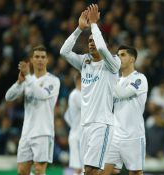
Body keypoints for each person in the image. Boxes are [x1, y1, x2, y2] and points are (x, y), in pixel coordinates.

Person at [60, 4, 121, 175]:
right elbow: (64, 52)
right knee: (89, 171)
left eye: (94, 40)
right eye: (89, 41)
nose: (91, 44)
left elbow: (102, 48)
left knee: (91, 170)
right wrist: (80, 29)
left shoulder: (112, 63)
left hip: (102, 123)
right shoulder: (84, 62)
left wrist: (94, 25)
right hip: (85, 125)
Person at [5, 45, 60, 175]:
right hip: (27, 132)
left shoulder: (53, 80)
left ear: (47, 60)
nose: (40, 59)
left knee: (39, 171)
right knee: (22, 171)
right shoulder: (27, 81)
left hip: (43, 132)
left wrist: (27, 77)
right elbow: (8, 97)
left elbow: (41, 95)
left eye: (43, 57)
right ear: (31, 60)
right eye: (37, 57)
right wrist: (19, 82)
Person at [102, 45, 148, 175]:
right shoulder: (117, 80)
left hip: (133, 136)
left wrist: (110, 78)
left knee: (135, 173)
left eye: (122, 55)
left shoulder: (139, 78)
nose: (118, 58)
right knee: (103, 171)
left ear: (132, 59)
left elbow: (122, 94)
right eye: (117, 55)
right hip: (115, 135)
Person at [64, 73, 82, 175]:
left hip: (77, 135)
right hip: (77, 137)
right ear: (79, 81)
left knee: (82, 168)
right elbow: (90, 108)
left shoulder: (73, 95)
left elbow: (66, 116)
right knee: (78, 169)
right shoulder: (76, 95)